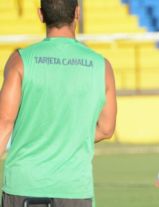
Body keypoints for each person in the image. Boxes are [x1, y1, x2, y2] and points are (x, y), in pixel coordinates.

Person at [0, 0, 117, 206]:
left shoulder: (20, 60)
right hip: (73, 188)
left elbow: (4, 124)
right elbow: (106, 129)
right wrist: (67, 140)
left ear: (41, 15)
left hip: (23, 185)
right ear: (77, 13)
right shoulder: (102, 66)